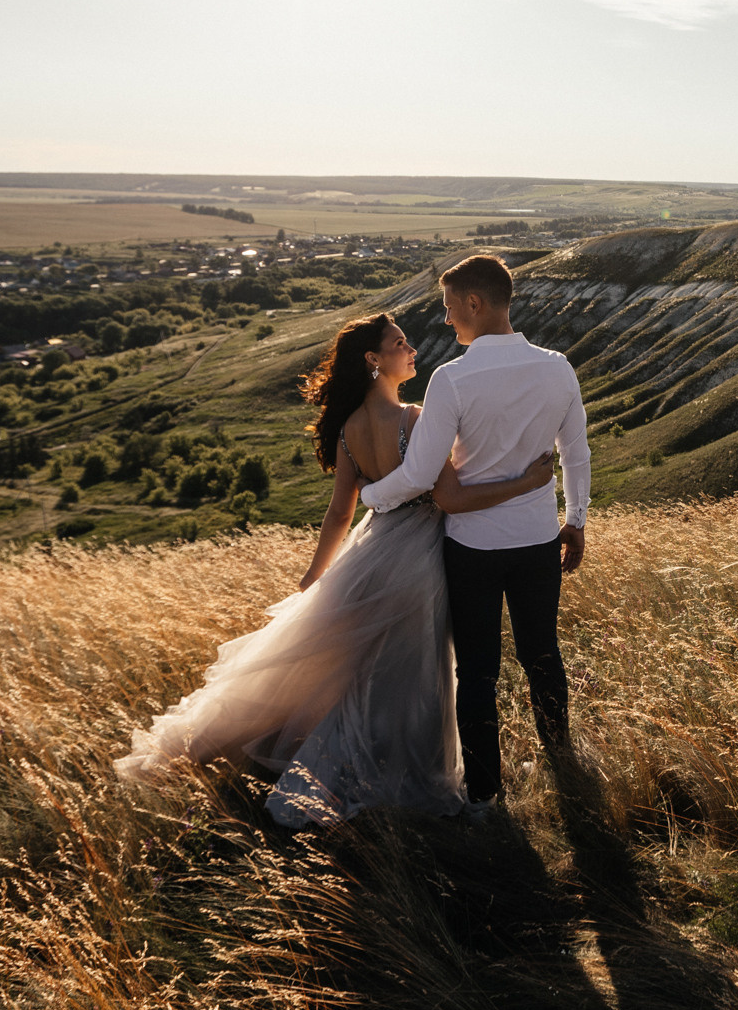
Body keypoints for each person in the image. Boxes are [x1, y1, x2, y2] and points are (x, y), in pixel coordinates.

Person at [115, 312, 556, 827]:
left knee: (365, 677)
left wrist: (317, 575)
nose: (412, 349)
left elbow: (340, 514)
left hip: (371, 554)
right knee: (417, 678)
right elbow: (451, 496)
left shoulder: (349, 429)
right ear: (374, 360)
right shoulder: (415, 419)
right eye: (400, 343)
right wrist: (528, 483)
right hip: (419, 559)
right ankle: (409, 775)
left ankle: (339, 768)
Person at [353, 254, 591, 816]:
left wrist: (369, 496)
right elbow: (575, 452)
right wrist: (576, 520)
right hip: (538, 540)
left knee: (477, 671)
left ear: (475, 303)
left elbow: (419, 475)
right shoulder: (557, 367)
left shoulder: (452, 379)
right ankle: (563, 765)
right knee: (542, 654)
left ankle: (484, 794)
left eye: (449, 307)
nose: (445, 319)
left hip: (472, 549)